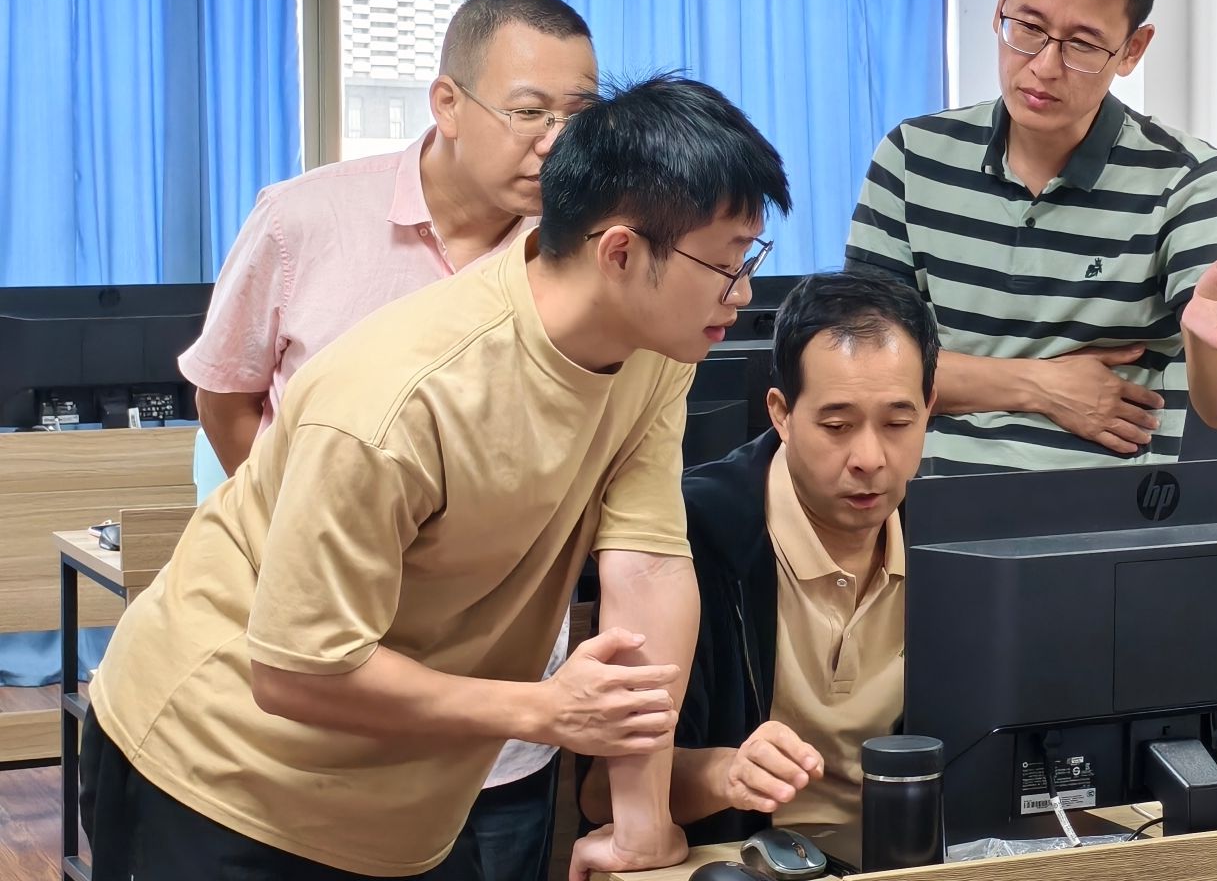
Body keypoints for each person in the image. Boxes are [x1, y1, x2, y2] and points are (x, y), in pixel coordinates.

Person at [82, 74, 791, 881]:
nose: (743, 293)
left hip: (400, 799)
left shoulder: (651, 350)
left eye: (750, 257)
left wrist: (640, 824)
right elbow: (295, 671)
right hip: (219, 769)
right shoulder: (399, 400)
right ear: (621, 253)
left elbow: (648, 566)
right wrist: (543, 709)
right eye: (726, 263)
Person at [176, 0, 598, 879]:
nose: (557, 141)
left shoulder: (580, 254)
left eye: (580, 115)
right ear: (447, 102)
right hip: (318, 705)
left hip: (500, 717)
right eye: (530, 112)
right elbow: (224, 394)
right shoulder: (303, 220)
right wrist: (302, 534)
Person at [846, 0, 1217, 476]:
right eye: (1028, 27)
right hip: (921, 505)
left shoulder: (1191, 180)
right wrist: (1043, 386)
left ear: (1132, 49)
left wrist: (1205, 337)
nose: (1043, 66)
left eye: (1083, 45)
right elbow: (862, 368)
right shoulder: (912, 157)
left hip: (1102, 518)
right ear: (999, 1)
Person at [582, 271, 938, 844]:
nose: (870, 458)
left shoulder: (961, 540)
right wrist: (725, 773)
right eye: (837, 425)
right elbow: (601, 792)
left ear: (929, 410)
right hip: (748, 860)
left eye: (899, 423)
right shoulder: (689, 534)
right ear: (781, 413)